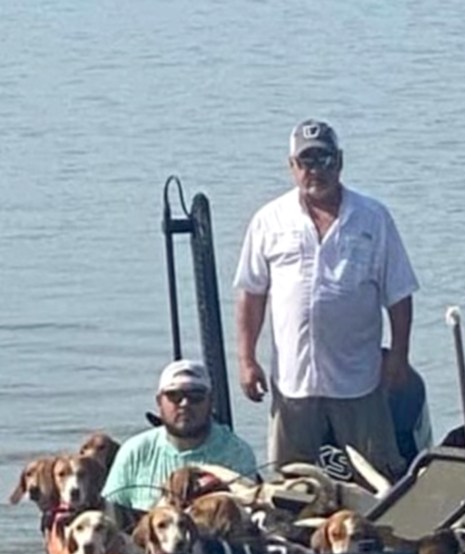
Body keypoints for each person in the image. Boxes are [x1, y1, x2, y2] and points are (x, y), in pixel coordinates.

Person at [233, 118, 419, 481]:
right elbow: (251, 294)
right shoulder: (269, 220)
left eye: (324, 159)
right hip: (293, 382)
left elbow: (399, 295)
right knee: (291, 485)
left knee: (376, 480)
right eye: (306, 162)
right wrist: (246, 359)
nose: (316, 170)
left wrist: (399, 356)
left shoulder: (374, 217)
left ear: (340, 161)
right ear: (292, 167)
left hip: (359, 381)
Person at [102, 359, 259, 510]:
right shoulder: (134, 451)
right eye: (174, 396)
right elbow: (110, 511)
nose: (185, 404)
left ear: (210, 401)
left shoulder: (236, 451)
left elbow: (245, 511)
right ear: (159, 401)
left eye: (196, 396)